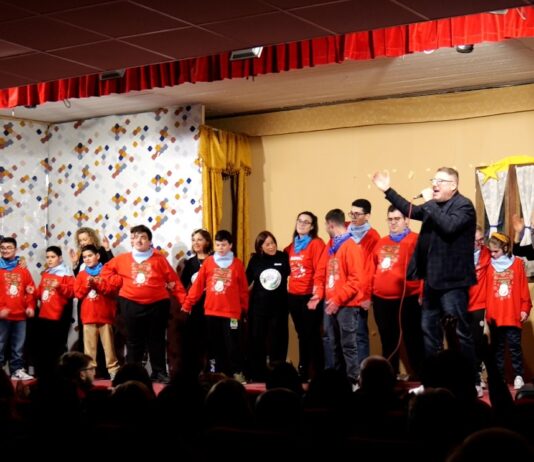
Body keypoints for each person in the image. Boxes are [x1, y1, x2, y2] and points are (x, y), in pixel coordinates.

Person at [372, 167, 478, 381]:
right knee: (429, 331)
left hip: (453, 282)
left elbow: (449, 226)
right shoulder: (434, 206)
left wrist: (429, 202)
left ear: (453, 185)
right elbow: (410, 210)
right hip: (431, 280)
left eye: (440, 181)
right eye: (433, 180)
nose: (434, 184)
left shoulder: (464, 205)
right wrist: (387, 190)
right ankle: (432, 379)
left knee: (459, 332)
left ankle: (470, 380)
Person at [100, 224, 186, 384]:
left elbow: (173, 281)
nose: (139, 240)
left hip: (158, 305)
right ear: (131, 240)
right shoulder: (122, 259)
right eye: (135, 237)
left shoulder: (159, 259)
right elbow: (105, 272)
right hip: (130, 304)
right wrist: (118, 281)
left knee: (157, 339)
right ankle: (133, 373)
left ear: (149, 241)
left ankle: (159, 372)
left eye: (143, 237)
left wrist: (184, 302)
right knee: (133, 340)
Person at [308, 209, 368, 387]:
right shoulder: (331, 245)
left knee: (348, 344)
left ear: (331, 224)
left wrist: (338, 300)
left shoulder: (351, 246)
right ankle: (334, 381)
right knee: (330, 342)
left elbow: (355, 281)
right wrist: (318, 294)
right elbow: (320, 273)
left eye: (326, 225)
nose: (326, 228)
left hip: (347, 305)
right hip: (330, 303)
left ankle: (353, 381)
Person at [181, 230, 249, 383]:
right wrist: (188, 303)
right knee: (213, 344)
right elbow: (198, 286)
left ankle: (236, 372)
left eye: (223, 245)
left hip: (231, 313)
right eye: (218, 245)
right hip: (211, 311)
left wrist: (244, 309)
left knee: (233, 344)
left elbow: (243, 290)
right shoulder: (208, 262)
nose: (220, 248)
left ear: (230, 245)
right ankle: (215, 373)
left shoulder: (237, 264)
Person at [371, 206, 424, 378]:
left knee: (413, 339)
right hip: (381, 300)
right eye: (390, 219)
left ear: (406, 220)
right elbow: (372, 268)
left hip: (408, 299)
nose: (393, 223)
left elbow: (425, 268)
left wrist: (422, 292)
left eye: (397, 219)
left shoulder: (416, 240)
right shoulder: (381, 242)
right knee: (387, 339)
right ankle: (389, 377)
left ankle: (420, 377)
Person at [485, 232, 531, 390]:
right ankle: (499, 377)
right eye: (491, 251)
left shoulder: (517, 264)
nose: (492, 254)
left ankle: (519, 375)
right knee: (497, 349)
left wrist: (525, 308)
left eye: (496, 251)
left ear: (505, 248)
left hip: (512, 314)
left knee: (514, 347)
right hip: (495, 315)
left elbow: (523, 287)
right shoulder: (488, 264)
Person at [284, 211, 325, 381]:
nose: (301, 224)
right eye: (299, 220)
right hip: (294, 296)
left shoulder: (316, 244)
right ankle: (303, 369)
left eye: (306, 222)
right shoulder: (291, 246)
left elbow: (320, 270)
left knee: (312, 334)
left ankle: (318, 372)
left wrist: (316, 295)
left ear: (312, 226)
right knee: (301, 334)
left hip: (310, 296)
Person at [246, 231, 290, 382]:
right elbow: (246, 282)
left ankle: (278, 374)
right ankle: (257, 374)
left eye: (273, 243)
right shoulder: (255, 260)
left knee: (279, 341)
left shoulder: (283, 257)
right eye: (267, 244)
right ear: (260, 247)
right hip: (259, 309)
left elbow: (293, 277)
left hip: (280, 308)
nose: (271, 247)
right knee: (258, 342)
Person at [73, 245, 121, 380]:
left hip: (105, 315)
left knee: (109, 347)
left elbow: (112, 290)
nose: (87, 259)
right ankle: (90, 372)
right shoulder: (82, 274)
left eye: (90, 255)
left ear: (98, 256)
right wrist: (87, 285)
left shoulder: (106, 272)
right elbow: (77, 294)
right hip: (88, 316)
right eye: (84, 257)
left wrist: (97, 284)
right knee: (89, 349)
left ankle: (113, 370)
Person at [33, 246, 75, 378]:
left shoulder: (66, 273)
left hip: (59, 316)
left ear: (60, 258)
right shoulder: (46, 273)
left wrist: (60, 286)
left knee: (58, 346)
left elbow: (72, 292)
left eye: (53, 257)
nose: (49, 260)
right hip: (44, 315)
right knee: (44, 346)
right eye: (47, 257)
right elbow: (41, 293)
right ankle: (44, 373)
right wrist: (33, 292)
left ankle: (59, 374)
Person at [347, 198, 379, 363]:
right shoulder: (344, 230)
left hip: (361, 293)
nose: (353, 217)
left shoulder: (373, 236)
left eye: (357, 214)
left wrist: (368, 295)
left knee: (359, 334)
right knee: (342, 335)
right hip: (343, 291)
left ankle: (361, 371)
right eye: (351, 213)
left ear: (367, 216)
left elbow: (372, 268)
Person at [0, 237, 36, 380]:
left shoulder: (23, 269)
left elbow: (30, 290)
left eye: (9, 247)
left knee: (18, 347)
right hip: (2, 316)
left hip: (20, 316)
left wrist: (30, 306)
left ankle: (17, 371)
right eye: (3, 248)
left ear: (15, 250)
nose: (5, 250)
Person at [179, 229, 213, 376]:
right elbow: (182, 286)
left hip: (213, 307)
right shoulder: (190, 263)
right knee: (194, 341)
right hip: (196, 308)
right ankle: (194, 370)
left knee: (212, 339)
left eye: (199, 239)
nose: (196, 243)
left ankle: (212, 369)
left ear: (207, 242)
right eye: (193, 240)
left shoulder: (215, 260)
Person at [467, 225, 491, 396]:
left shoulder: (487, 253)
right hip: (462, 305)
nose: (479, 243)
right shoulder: (459, 253)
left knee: (477, 341)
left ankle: (477, 374)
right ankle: (468, 376)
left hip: (479, 304)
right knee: (463, 342)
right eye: (475, 240)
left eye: (481, 240)